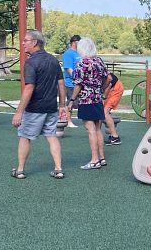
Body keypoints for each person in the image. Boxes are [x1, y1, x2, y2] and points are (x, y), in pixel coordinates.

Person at [11, 31, 68, 179]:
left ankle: (20, 170)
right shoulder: (53, 61)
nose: (23, 43)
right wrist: (62, 105)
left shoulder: (30, 62)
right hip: (51, 108)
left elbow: (29, 88)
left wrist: (19, 112)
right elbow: (61, 84)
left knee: (24, 137)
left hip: (35, 109)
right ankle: (58, 169)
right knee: (52, 136)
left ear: (35, 42)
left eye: (25, 40)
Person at [68, 37, 108, 170]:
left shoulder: (82, 63)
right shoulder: (99, 61)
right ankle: (101, 158)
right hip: (97, 98)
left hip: (86, 99)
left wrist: (72, 100)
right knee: (97, 128)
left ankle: (94, 160)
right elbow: (108, 78)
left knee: (90, 129)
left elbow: (78, 84)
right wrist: (101, 89)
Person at [61, 35, 81, 128]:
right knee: (70, 102)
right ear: (74, 42)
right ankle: (68, 121)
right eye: (79, 42)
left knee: (78, 102)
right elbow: (69, 69)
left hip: (79, 83)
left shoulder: (79, 53)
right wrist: (76, 78)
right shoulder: (68, 54)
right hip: (71, 83)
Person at [102, 71, 123, 145]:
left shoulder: (101, 72)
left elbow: (109, 83)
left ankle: (115, 137)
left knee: (105, 113)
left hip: (115, 89)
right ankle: (112, 135)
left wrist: (104, 98)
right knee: (102, 112)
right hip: (110, 89)